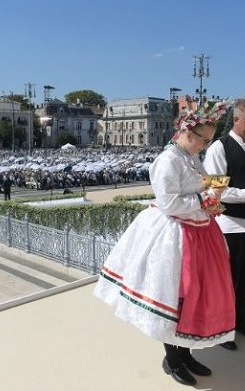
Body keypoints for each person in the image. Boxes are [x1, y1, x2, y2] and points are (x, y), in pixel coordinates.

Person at [94, 101, 236, 387]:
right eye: (202, 140)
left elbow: (193, 189)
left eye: (208, 141)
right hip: (174, 236)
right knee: (176, 296)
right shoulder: (168, 160)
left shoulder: (189, 156)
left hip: (197, 231)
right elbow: (169, 203)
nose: (204, 146)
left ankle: (185, 353)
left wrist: (208, 195)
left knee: (194, 296)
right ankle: (172, 357)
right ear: (186, 131)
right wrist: (204, 200)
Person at [203, 97, 245, 351]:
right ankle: (222, 328)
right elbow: (215, 191)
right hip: (231, 225)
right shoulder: (219, 148)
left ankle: (239, 320)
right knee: (227, 280)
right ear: (236, 119)